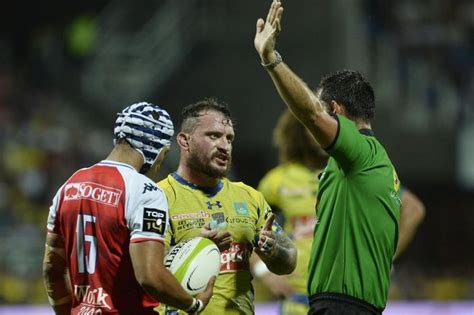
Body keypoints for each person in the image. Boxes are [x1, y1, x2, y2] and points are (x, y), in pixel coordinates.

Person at [254, 1, 403, 313]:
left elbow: (309, 113)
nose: (309, 127)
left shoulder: (360, 153)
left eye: (322, 108)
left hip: (343, 306)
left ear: (334, 110)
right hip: (346, 304)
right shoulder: (371, 166)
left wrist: (271, 60)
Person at [42, 102, 215, 315]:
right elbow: (150, 276)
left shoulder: (68, 187)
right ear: (154, 147)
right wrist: (193, 305)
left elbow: (52, 269)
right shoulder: (145, 191)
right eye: (165, 152)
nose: (161, 160)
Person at [252, 110, 426, 314]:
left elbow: (413, 209)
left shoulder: (353, 169)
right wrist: (263, 271)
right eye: (313, 124)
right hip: (296, 299)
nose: (319, 130)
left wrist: (385, 258)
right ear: (299, 130)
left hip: (343, 296)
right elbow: (247, 224)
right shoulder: (277, 180)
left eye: (327, 122)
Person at [157, 98, 297, 315]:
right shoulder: (159, 197)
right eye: (213, 136)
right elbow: (148, 270)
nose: (224, 146)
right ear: (185, 141)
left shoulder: (250, 197)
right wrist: (199, 246)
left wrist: (271, 250)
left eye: (229, 138)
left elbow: (289, 260)